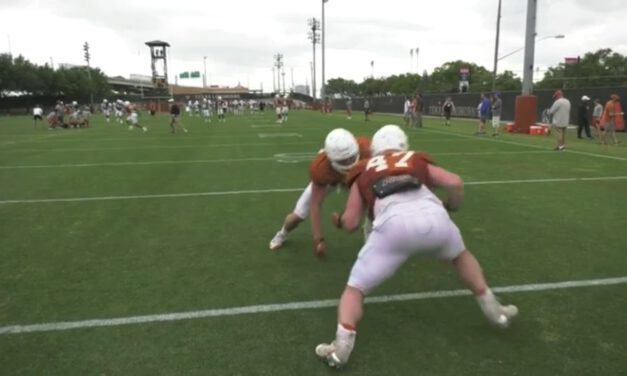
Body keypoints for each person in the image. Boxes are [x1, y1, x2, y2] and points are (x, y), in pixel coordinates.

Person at [315, 125, 518, 368]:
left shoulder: (363, 169)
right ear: (403, 145)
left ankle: (341, 348)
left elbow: (351, 223)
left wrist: (338, 222)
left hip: (392, 227)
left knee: (354, 290)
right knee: (461, 256)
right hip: (435, 218)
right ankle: (496, 312)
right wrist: (451, 206)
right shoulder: (414, 159)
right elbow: (454, 182)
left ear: (375, 149)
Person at [269, 129, 371, 257]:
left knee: (372, 196)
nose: (349, 163)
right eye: (343, 160)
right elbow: (315, 204)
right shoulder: (321, 169)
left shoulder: (366, 148)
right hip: (331, 180)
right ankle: (282, 233)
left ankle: (367, 228)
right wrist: (319, 239)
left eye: (351, 157)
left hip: (353, 178)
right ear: (330, 158)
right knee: (297, 216)